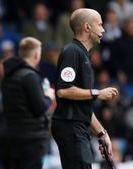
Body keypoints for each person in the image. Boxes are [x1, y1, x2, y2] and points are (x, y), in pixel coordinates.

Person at [51, 8, 119, 169]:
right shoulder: (72, 52)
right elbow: (63, 90)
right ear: (87, 27)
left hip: (78, 127)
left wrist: (102, 133)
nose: (103, 29)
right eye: (100, 25)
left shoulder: (82, 55)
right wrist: (98, 93)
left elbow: (83, 107)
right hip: (69, 126)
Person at [1, 37, 55, 169]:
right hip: (31, 139)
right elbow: (39, 108)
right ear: (36, 54)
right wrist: (48, 96)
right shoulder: (30, 76)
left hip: (12, 137)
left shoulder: (8, 77)